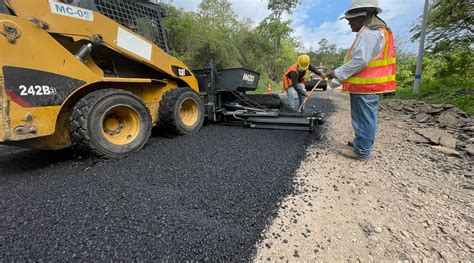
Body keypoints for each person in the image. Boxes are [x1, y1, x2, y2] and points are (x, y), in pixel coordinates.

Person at [325, 0, 396, 160]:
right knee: (361, 117)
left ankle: (362, 151)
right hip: (368, 86)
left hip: (367, 87)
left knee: (363, 118)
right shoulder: (377, 31)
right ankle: (361, 142)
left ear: (361, 17)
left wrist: (336, 73)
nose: (349, 24)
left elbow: (360, 61)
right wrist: (336, 79)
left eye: (351, 21)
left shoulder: (369, 33)